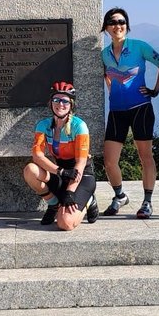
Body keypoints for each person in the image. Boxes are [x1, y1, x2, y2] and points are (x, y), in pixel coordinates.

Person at [100, 7, 159, 218]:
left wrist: (155, 90)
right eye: (112, 22)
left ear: (127, 25)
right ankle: (120, 196)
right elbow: (107, 75)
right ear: (106, 28)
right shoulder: (104, 54)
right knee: (109, 161)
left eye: (121, 22)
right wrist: (112, 91)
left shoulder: (139, 46)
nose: (117, 25)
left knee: (145, 156)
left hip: (140, 108)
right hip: (117, 110)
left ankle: (147, 201)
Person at [23, 81, 100, 230]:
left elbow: (81, 163)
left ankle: (89, 200)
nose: (60, 104)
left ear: (71, 104)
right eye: (56, 100)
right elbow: (37, 156)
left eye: (65, 101)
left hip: (81, 176)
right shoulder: (43, 125)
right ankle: (53, 205)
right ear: (50, 103)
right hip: (60, 173)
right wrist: (60, 172)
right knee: (30, 170)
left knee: (65, 223)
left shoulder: (80, 126)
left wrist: (70, 192)